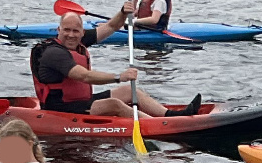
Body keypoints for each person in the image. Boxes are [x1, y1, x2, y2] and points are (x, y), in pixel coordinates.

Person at [30, 7, 184, 119]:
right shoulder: (53, 53)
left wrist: (123, 12)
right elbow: (84, 76)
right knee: (113, 104)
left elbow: (111, 26)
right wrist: (118, 77)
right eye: (66, 30)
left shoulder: (79, 40)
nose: (71, 35)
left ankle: (170, 115)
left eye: (75, 31)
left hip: (81, 102)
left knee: (130, 91)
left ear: (82, 32)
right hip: (61, 110)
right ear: (59, 30)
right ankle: (160, 125)